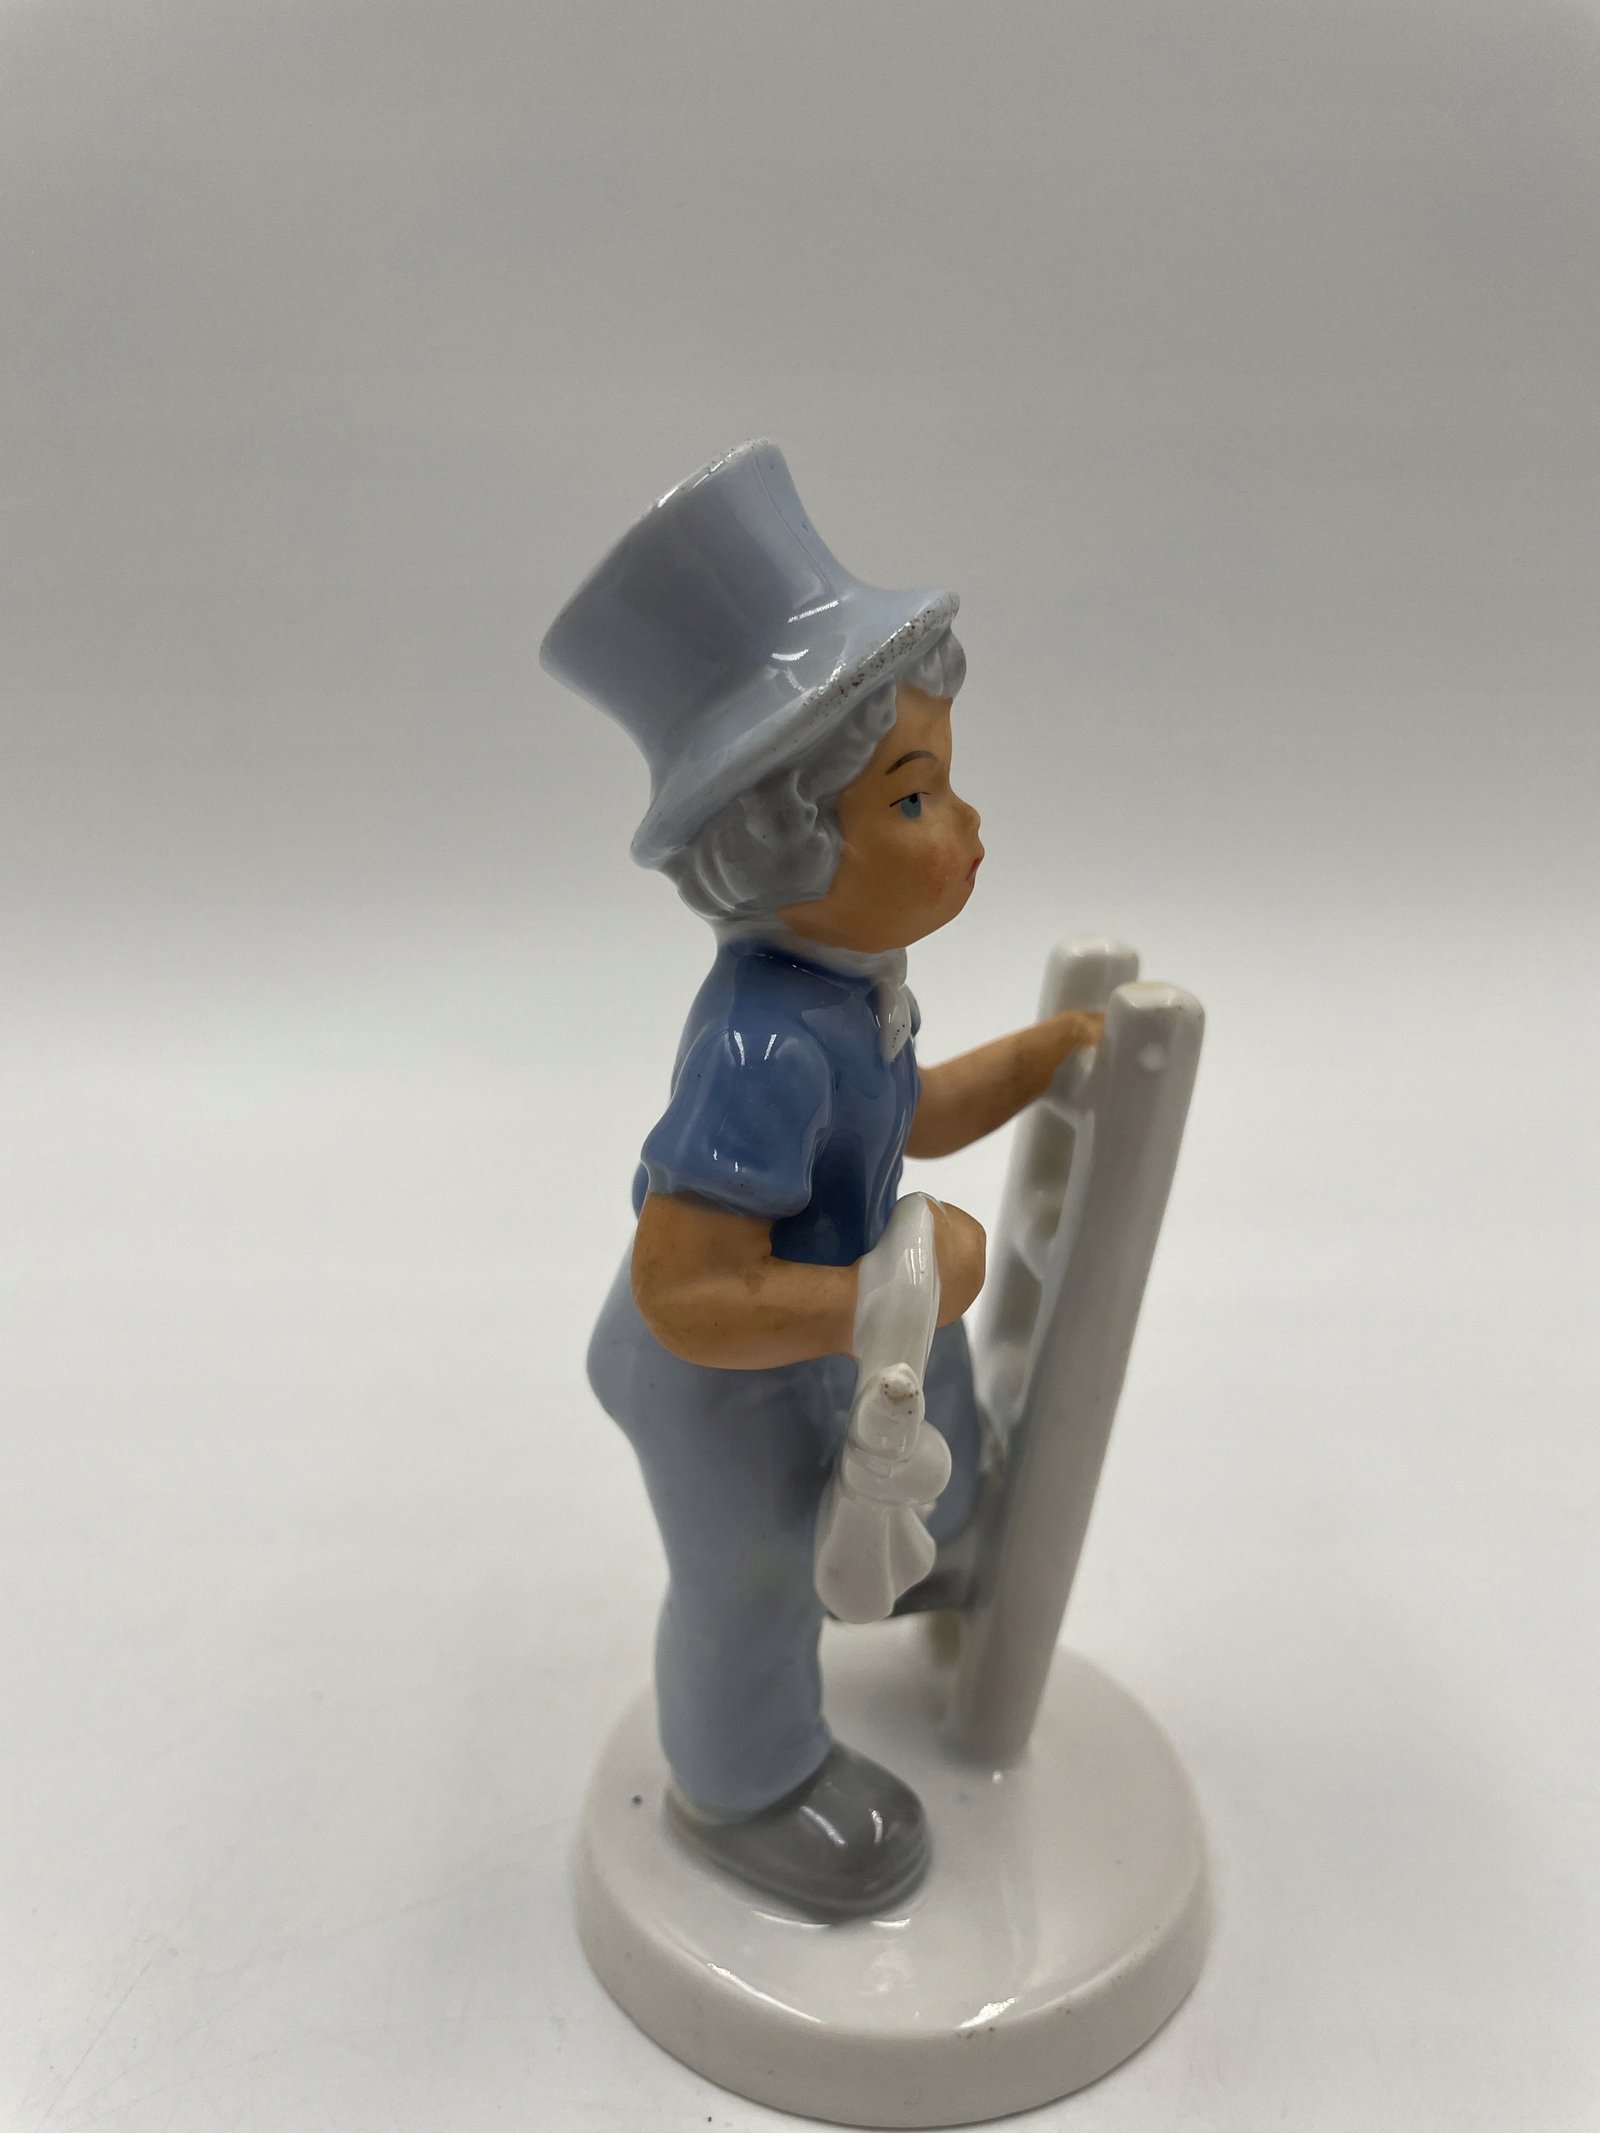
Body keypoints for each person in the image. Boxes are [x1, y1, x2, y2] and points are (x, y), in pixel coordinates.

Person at [542, 443, 1100, 1918]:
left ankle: (927, 1552)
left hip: (801, 1334)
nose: (966, 829)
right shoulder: (761, 1043)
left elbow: (910, 1121)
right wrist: (882, 1296)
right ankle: (745, 1785)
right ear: (779, 845)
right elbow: (686, 1290)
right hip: (710, 1377)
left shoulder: (854, 996)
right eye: (916, 801)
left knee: (927, 1402)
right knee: (748, 1577)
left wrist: (1045, 1057)